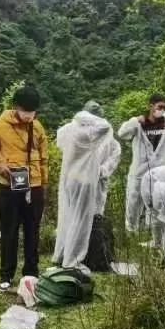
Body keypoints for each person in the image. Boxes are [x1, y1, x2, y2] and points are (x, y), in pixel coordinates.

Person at [0, 86, 49, 292]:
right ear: (16, 107)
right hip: (9, 186)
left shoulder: (37, 127)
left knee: (32, 231)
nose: (29, 115)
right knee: (9, 232)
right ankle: (6, 275)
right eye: (25, 111)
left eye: (33, 111)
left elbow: (44, 158)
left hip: (34, 186)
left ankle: (31, 273)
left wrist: (43, 184)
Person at [52, 107, 113, 272]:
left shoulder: (69, 129)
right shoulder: (88, 134)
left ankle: (62, 255)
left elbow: (59, 141)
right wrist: (89, 117)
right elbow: (106, 126)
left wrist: (79, 117)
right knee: (80, 221)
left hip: (69, 178)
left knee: (69, 218)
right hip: (84, 180)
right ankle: (72, 260)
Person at [118, 93, 165, 233]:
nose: (162, 110)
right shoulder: (140, 123)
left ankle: (153, 234)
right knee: (133, 202)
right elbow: (122, 133)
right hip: (139, 171)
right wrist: (135, 121)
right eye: (159, 107)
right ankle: (131, 232)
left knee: (156, 202)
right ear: (151, 106)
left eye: (164, 107)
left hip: (159, 172)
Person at [83, 100, 121, 215]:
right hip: (80, 180)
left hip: (98, 181)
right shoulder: (80, 131)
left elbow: (115, 152)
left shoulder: (107, 132)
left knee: (96, 212)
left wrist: (103, 169)